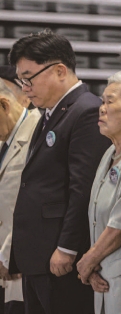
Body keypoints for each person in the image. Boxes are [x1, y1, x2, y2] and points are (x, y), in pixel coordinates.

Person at [8, 29, 111, 313]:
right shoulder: (51, 113)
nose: (24, 86)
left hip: (59, 257)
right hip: (38, 255)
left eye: (29, 77)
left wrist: (67, 247)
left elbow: (83, 188)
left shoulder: (86, 111)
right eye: (21, 80)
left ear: (60, 70)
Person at [76, 71, 121, 314]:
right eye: (102, 101)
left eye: (110, 101)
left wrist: (87, 262)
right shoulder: (109, 152)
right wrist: (94, 265)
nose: (102, 109)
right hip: (103, 274)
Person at [0, 82, 40, 314]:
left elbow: (32, 202)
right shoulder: (5, 136)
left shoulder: (38, 130)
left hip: (21, 259)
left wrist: (9, 254)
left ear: (4, 105)